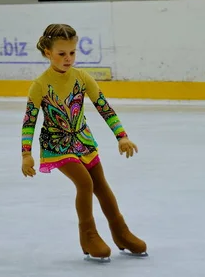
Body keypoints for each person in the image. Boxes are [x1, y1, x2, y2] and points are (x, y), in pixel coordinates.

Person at [20, 23, 147, 260]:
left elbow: (104, 107)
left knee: (101, 185)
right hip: (56, 145)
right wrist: (26, 153)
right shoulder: (40, 85)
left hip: (83, 140)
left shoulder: (82, 77)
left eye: (72, 53)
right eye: (62, 54)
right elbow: (29, 121)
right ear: (48, 53)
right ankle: (88, 236)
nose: (68, 58)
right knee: (85, 183)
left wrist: (122, 136)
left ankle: (121, 233)